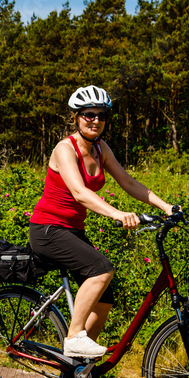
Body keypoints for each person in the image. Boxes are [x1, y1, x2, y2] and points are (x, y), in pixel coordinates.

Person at [28, 85, 174, 359]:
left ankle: (81, 364)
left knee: (105, 297)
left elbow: (128, 182)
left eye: (101, 115)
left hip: (71, 230)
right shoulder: (64, 149)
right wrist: (118, 213)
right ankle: (73, 337)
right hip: (47, 230)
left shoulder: (100, 148)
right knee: (102, 270)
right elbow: (79, 193)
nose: (95, 120)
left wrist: (166, 206)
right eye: (88, 114)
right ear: (76, 117)